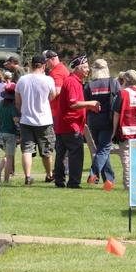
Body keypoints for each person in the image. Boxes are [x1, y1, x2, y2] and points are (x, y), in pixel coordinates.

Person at [52, 55, 100, 188]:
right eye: (84, 67)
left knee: (61, 155)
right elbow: (73, 104)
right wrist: (91, 102)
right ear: (77, 68)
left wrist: (88, 106)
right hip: (71, 124)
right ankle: (73, 182)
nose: (87, 70)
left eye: (87, 67)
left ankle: (59, 181)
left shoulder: (71, 81)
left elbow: (72, 103)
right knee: (75, 154)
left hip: (62, 124)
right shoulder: (73, 82)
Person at [15, 54, 58, 185]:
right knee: (46, 149)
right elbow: (52, 97)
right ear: (44, 65)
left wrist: (22, 112)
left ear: (32, 65)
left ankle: (28, 177)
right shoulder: (48, 80)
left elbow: (17, 101)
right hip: (44, 120)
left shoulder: (22, 80)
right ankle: (49, 175)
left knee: (27, 149)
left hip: (26, 119)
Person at [84, 58, 121, 186]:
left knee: (102, 149)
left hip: (93, 121)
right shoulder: (113, 82)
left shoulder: (89, 85)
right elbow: (119, 101)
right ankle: (93, 173)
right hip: (108, 121)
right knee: (104, 150)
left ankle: (109, 180)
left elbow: (85, 103)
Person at [112, 69, 136, 191]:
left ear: (126, 81)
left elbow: (117, 114)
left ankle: (128, 186)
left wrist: (113, 131)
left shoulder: (123, 93)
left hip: (127, 132)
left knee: (126, 160)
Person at [0, 83, 21, 182]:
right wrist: (21, 118)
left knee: (6, 155)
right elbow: (15, 119)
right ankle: (6, 179)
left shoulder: (0, 104)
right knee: (10, 157)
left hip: (1, 133)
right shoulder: (12, 106)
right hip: (11, 133)